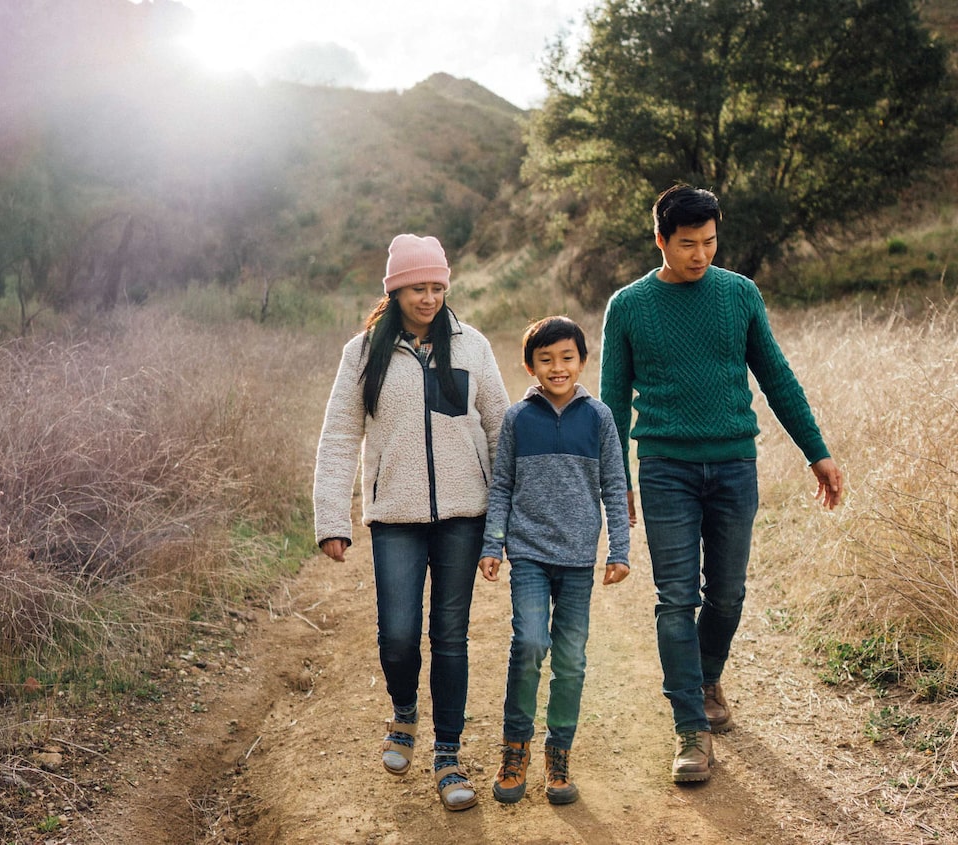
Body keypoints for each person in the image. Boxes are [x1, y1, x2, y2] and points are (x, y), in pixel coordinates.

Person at [598, 185, 844, 784]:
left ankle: (707, 678)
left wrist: (818, 452)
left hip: (734, 465)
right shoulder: (628, 306)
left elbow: (777, 377)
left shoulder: (739, 295)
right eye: (688, 244)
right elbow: (610, 403)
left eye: (710, 241)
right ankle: (690, 727)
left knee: (727, 595)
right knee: (676, 597)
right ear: (660, 240)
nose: (701, 254)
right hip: (665, 469)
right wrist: (616, 483)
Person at [312, 233, 510, 812]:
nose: (429, 297)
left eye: (438, 287)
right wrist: (333, 517)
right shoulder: (362, 353)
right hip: (393, 515)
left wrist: (503, 518)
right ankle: (403, 713)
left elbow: (500, 428)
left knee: (450, 638)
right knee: (398, 636)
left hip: (464, 514)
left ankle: (448, 756)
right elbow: (340, 437)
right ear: (395, 290)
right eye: (418, 288)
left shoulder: (472, 345)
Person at [478, 315, 631, 806]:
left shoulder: (600, 418)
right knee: (529, 642)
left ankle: (558, 752)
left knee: (571, 659)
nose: (557, 367)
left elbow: (615, 487)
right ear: (530, 366)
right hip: (528, 554)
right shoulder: (518, 419)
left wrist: (620, 551)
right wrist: (492, 545)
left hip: (578, 558)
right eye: (546, 359)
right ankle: (514, 747)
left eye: (567, 358)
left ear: (582, 362)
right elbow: (501, 487)